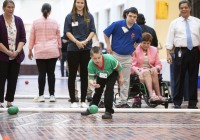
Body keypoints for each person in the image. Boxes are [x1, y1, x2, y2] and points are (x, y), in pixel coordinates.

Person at [104, 7, 142, 108]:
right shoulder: (117, 24)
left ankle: (123, 101)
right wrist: (108, 46)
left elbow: (139, 40)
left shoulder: (138, 29)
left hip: (127, 57)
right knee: (109, 79)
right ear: (126, 15)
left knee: (125, 80)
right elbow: (106, 33)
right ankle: (105, 100)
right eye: (130, 16)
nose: (132, 18)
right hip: (114, 55)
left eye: (134, 17)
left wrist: (133, 49)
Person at [165, 1, 200, 109]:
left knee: (193, 77)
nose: (183, 9)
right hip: (180, 51)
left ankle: (192, 102)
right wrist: (168, 54)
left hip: (194, 51)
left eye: (185, 7)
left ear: (190, 8)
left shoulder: (197, 22)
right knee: (179, 77)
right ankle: (177, 101)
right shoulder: (174, 23)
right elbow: (169, 39)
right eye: (181, 8)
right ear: (179, 9)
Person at [64, 0, 96, 108]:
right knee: (72, 75)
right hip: (73, 48)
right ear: (75, 3)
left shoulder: (89, 16)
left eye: (82, 3)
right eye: (78, 2)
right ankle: (73, 100)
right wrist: (77, 42)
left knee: (84, 75)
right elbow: (67, 32)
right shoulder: (69, 17)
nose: (80, 4)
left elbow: (92, 31)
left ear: (85, 4)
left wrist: (86, 41)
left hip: (86, 48)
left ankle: (83, 100)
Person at [28, 3, 61, 102]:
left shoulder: (35, 22)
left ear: (41, 10)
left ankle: (41, 95)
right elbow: (58, 38)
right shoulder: (55, 22)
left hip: (40, 51)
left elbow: (31, 37)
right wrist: (60, 51)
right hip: (52, 51)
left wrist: (30, 50)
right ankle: (52, 95)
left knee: (41, 74)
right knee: (51, 73)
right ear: (50, 11)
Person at [81, 47, 124, 119]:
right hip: (101, 75)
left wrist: (121, 78)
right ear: (91, 57)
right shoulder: (90, 64)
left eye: (99, 58)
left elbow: (119, 68)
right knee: (98, 91)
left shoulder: (110, 59)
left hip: (112, 73)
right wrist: (93, 83)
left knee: (109, 90)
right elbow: (90, 78)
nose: (97, 60)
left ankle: (108, 111)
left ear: (102, 55)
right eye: (94, 58)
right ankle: (91, 108)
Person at [0, 0, 26, 108]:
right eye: (9, 7)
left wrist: (17, 51)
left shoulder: (18, 21)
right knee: (1, 79)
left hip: (16, 56)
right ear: (3, 8)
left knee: (13, 79)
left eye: (12, 7)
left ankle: (9, 101)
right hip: (2, 56)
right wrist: (7, 52)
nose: (11, 9)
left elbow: (23, 38)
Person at [131, 32, 166, 102]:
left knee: (154, 70)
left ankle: (159, 95)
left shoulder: (154, 50)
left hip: (151, 70)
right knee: (147, 72)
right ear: (140, 42)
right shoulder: (135, 50)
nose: (146, 45)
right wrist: (139, 73)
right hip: (139, 70)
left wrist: (155, 68)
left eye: (148, 43)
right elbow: (132, 66)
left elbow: (159, 64)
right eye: (144, 43)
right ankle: (151, 95)